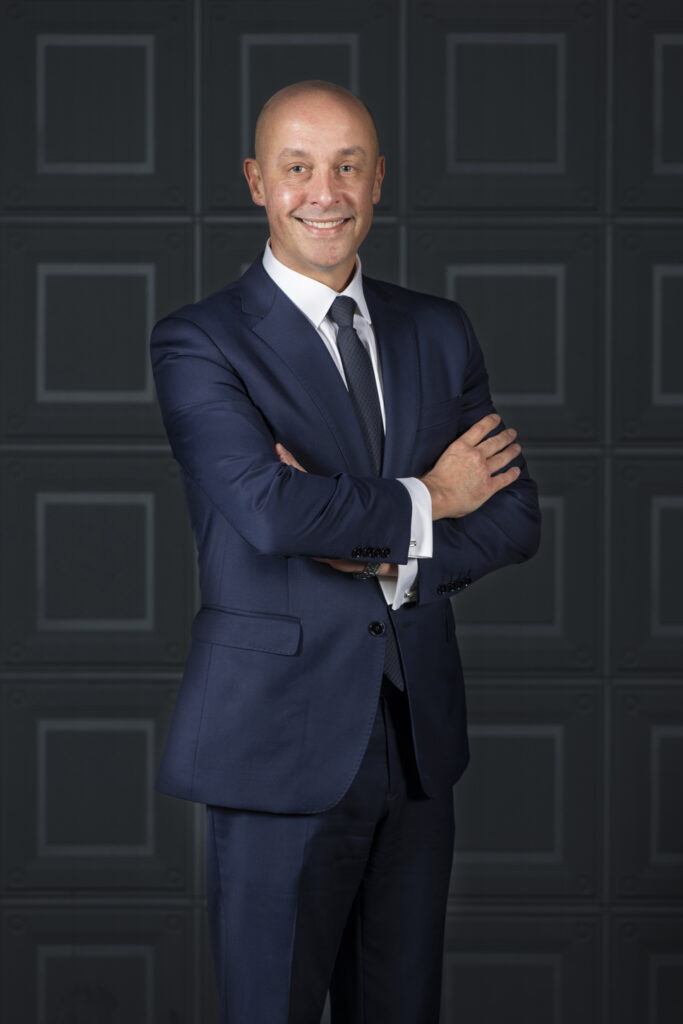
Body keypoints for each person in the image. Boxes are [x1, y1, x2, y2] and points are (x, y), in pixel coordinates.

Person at [151, 80, 541, 1024]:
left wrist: (381, 551)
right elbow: (270, 513)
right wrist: (431, 497)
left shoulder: (438, 329)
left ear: (377, 181)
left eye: (346, 167)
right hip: (273, 744)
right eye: (297, 168)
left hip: (416, 742)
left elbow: (513, 516)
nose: (323, 193)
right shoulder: (200, 341)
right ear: (258, 182)